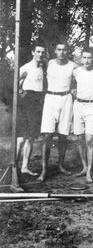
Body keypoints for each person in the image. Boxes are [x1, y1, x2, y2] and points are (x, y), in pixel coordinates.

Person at [38, 43, 75, 182]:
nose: (61, 52)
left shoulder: (73, 65)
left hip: (66, 99)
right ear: (54, 51)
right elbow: (31, 65)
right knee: (47, 135)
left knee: (63, 135)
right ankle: (44, 170)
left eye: (64, 49)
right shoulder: (49, 63)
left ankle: (61, 165)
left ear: (67, 51)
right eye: (59, 49)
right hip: (51, 98)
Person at [73, 48, 93, 183]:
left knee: (89, 139)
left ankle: (89, 171)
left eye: (89, 58)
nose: (86, 60)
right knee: (79, 138)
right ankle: (84, 167)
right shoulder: (76, 71)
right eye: (84, 57)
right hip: (78, 105)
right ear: (80, 59)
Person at [17, 44, 46, 176]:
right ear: (33, 52)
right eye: (38, 51)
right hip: (27, 102)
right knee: (22, 138)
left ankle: (24, 167)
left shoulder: (42, 66)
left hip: (38, 102)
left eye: (42, 52)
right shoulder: (26, 67)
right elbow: (14, 82)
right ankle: (14, 167)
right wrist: (20, 91)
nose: (40, 54)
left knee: (31, 138)